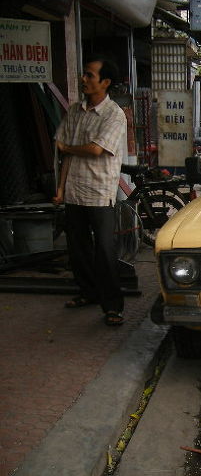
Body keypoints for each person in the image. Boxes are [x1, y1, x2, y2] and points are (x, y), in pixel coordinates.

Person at [54, 55, 127, 326]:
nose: (83, 79)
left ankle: (113, 306)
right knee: (79, 249)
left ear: (105, 83)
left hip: (100, 193)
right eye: (84, 75)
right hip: (74, 192)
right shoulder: (75, 111)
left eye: (89, 75)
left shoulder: (114, 115)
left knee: (105, 252)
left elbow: (96, 149)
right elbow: (64, 153)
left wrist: (68, 148)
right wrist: (60, 188)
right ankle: (88, 293)